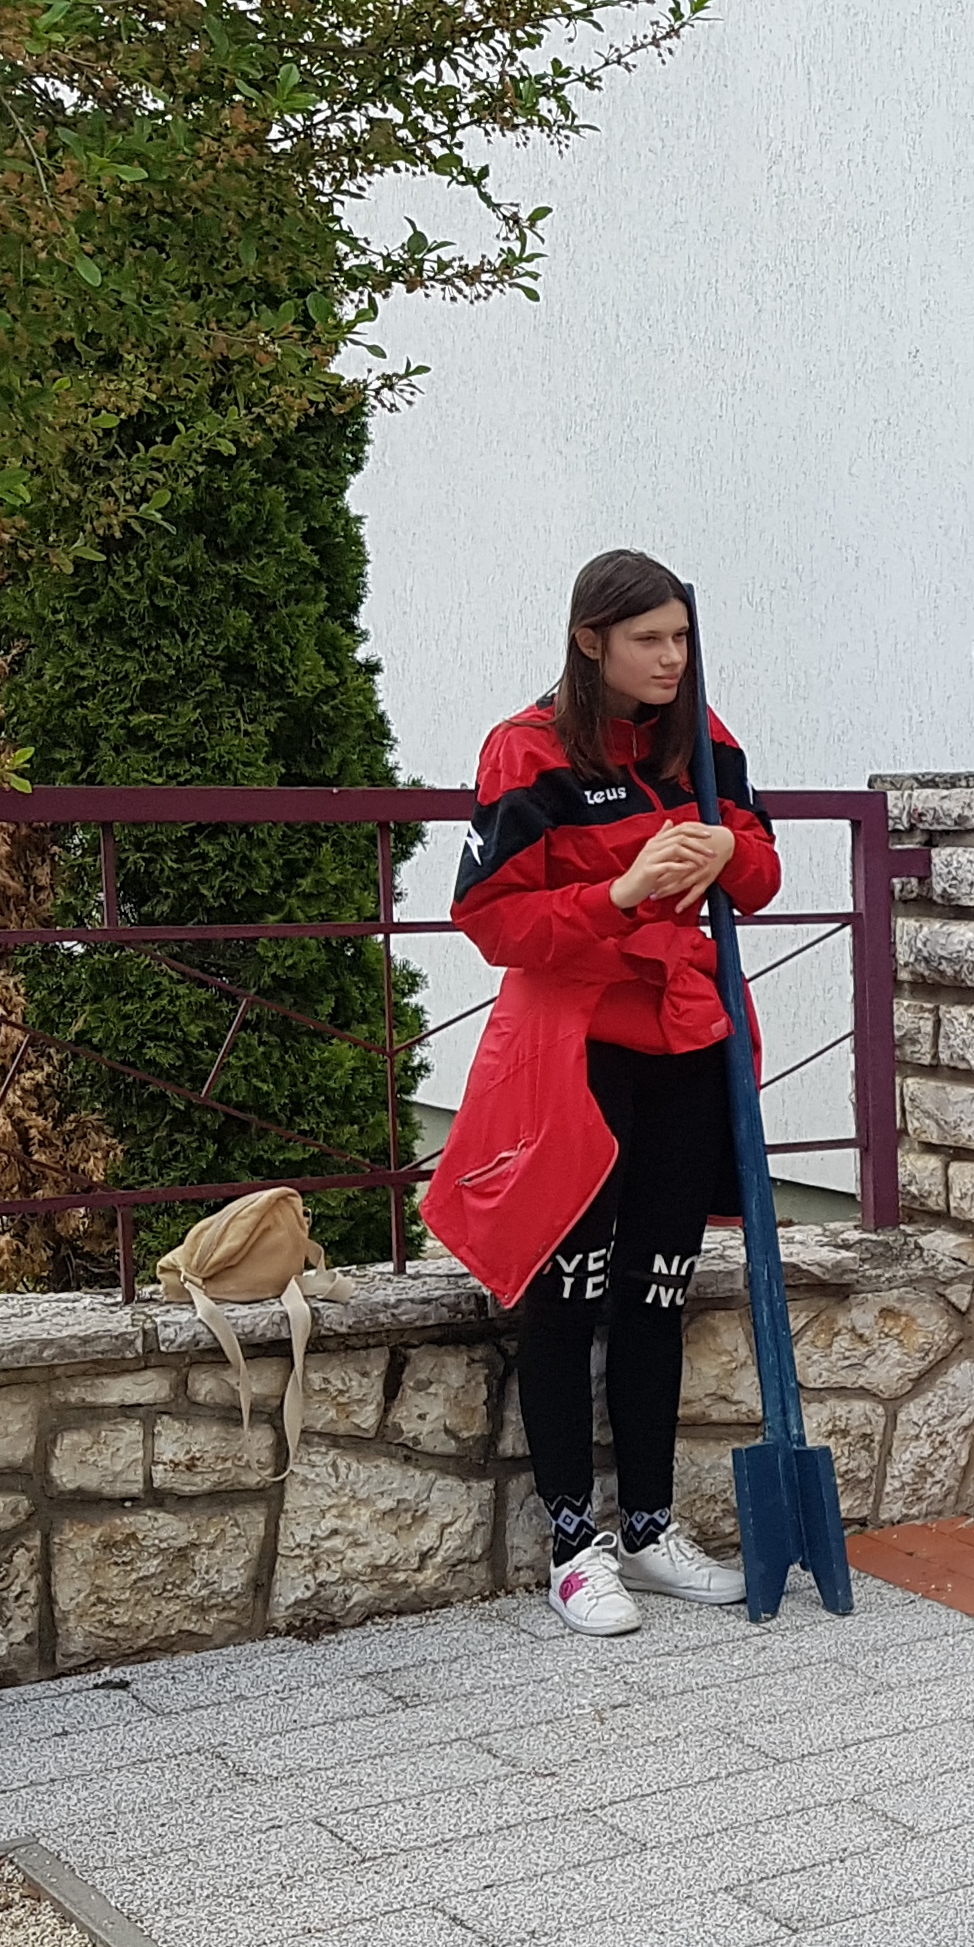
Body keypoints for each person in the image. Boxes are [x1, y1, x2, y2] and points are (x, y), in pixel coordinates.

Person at [424, 549, 770, 1635]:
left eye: (682, 638)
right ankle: (573, 1547)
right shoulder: (524, 749)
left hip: (687, 1040)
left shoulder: (701, 739)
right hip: (577, 1054)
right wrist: (618, 894)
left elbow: (761, 874)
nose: (673, 659)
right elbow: (491, 918)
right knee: (566, 1297)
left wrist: (725, 851)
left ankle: (650, 1529)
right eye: (649, 640)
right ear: (590, 641)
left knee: (659, 1290)